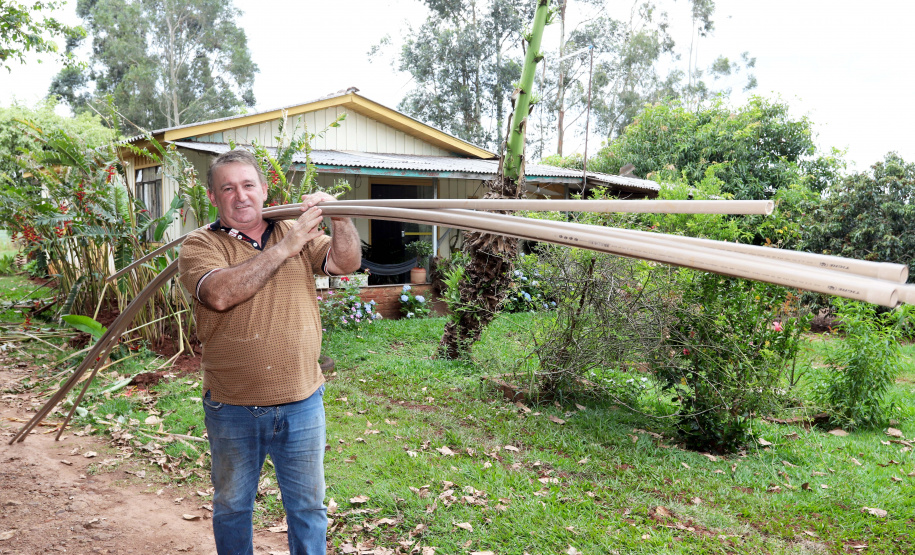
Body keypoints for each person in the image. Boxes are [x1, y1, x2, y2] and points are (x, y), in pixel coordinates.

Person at [177, 149, 361, 555]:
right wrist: (287, 246)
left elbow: (344, 262)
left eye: (247, 185)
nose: (240, 196)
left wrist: (341, 218)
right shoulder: (199, 245)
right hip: (234, 405)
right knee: (232, 506)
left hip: (302, 401)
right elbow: (221, 294)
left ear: (263, 189)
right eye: (228, 188)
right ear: (213, 197)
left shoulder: (290, 229)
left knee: (308, 507)